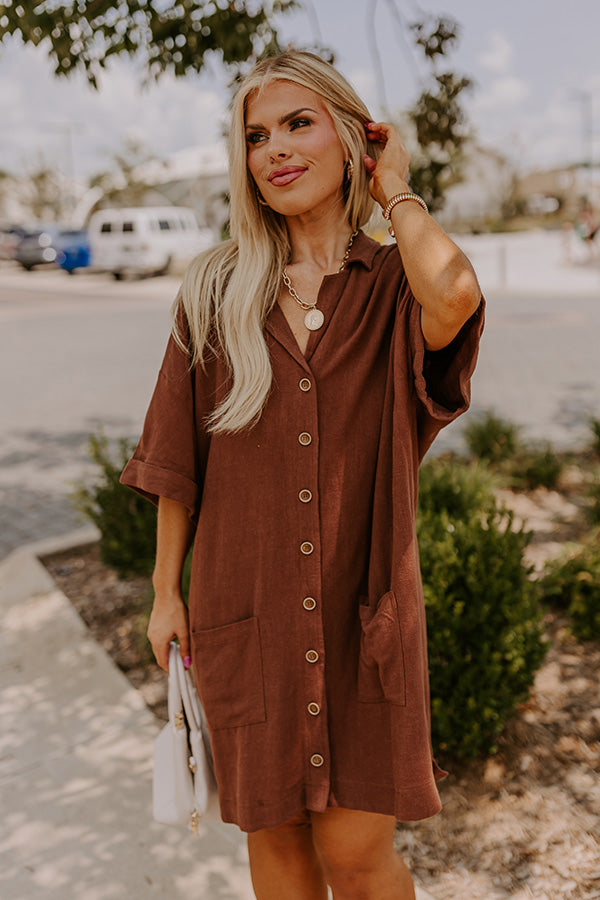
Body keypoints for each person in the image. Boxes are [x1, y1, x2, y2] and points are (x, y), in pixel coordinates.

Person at [121, 50, 484, 900]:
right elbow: (176, 460)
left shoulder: (393, 287)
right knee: (277, 851)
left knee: (358, 861)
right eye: (256, 136)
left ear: (354, 139)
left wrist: (396, 189)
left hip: (366, 621)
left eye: (298, 124)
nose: (275, 149)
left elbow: (456, 294)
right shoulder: (215, 292)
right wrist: (166, 593)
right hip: (243, 616)